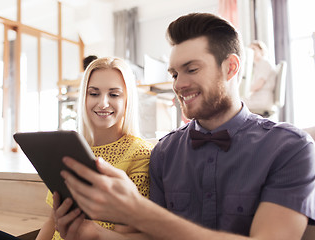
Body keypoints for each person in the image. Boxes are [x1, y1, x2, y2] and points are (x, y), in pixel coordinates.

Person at [53, 12, 315, 240]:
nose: (178, 85)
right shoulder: (165, 152)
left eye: (192, 69)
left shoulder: (290, 148)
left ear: (231, 67)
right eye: (175, 74)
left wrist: (137, 210)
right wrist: (92, 233)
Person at [36, 57, 153, 240]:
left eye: (114, 95)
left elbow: (135, 234)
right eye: (94, 93)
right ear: (84, 97)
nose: (103, 103)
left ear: (127, 99)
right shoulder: (68, 148)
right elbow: (52, 221)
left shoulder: (140, 154)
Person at [243, 40, 277, 113]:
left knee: (235, 103)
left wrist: (243, 91)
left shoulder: (264, 63)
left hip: (262, 100)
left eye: (253, 49)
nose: (251, 52)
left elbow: (258, 84)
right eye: (249, 50)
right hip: (259, 98)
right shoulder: (258, 66)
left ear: (261, 51)